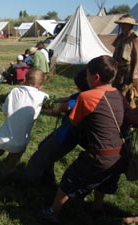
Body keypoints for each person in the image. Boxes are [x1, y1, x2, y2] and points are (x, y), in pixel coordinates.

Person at [39, 55, 126, 224]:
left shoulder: (87, 97)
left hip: (99, 156)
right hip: (120, 155)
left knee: (69, 179)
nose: (86, 78)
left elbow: (74, 121)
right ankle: (97, 208)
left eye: (87, 74)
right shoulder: (118, 94)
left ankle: (52, 211)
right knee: (104, 180)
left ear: (96, 77)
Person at [0, 68, 49, 177]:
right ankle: (5, 174)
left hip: (2, 138)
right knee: (13, 159)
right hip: (20, 142)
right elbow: (49, 101)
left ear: (24, 79)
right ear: (40, 85)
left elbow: (5, 110)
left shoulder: (14, 91)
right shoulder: (42, 97)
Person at [24, 69, 90, 186]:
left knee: (40, 157)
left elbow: (68, 106)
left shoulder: (85, 97)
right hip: (63, 131)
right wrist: (51, 100)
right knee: (43, 146)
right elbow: (67, 99)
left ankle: (28, 182)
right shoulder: (82, 93)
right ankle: (48, 178)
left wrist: (52, 110)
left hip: (67, 135)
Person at [112, 14, 138, 107]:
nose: (122, 26)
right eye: (121, 24)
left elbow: (137, 56)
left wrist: (135, 73)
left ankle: (131, 114)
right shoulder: (120, 36)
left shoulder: (134, 37)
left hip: (128, 69)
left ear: (130, 25)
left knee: (127, 93)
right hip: (117, 68)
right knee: (116, 91)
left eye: (125, 24)